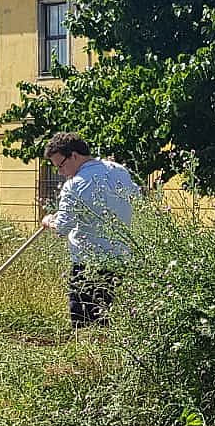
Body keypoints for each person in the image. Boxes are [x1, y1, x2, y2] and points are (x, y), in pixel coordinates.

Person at [40, 132, 141, 328]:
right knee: (109, 321)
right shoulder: (119, 171)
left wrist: (48, 221)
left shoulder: (74, 185)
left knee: (85, 324)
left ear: (74, 156)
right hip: (120, 261)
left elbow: (62, 228)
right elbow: (136, 199)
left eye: (60, 166)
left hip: (88, 265)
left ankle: (89, 358)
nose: (60, 172)